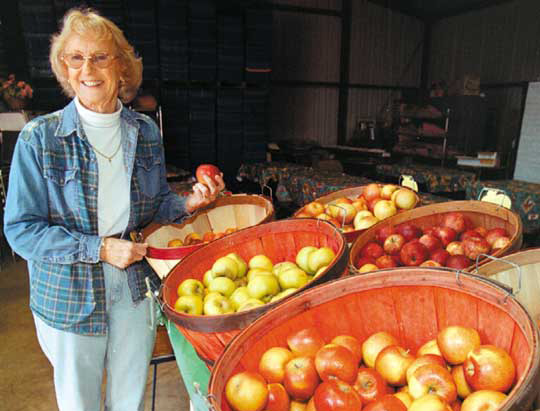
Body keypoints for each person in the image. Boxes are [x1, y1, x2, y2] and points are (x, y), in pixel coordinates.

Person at [3, 8, 225, 411]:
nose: (87, 68)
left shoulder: (144, 132)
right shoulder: (41, 138)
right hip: (69, 295)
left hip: (132, 291)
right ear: (64, 68)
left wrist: (191, 202)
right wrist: (99, 248)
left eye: (100, 56)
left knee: (128, 401)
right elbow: (21, 229)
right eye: (75, 57)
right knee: (80, 404)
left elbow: (156, 205)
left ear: (121, 67)